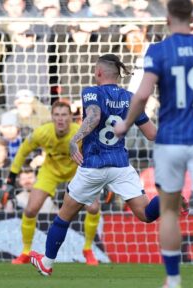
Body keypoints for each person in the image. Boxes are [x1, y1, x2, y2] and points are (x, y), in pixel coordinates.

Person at [114, 1, 193, 287]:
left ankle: (173, 278)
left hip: (170, 141)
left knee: (168, 211)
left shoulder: (159, 50)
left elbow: (142, 95)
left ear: (167, 18)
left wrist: (125, 124)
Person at [29, 54, 172, 277]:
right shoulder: (131, 97)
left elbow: (94, 116)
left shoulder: (91, 92)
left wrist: (74, 139)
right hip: (120, 166)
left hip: (93, 165)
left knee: (65, 215)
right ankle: (167, 198)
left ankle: (47, 262)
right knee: (145, 214)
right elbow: (152, 134)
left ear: (98, 73)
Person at [9, 100, 102, 266]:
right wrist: (11, 177)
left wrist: (103, 180)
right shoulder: (42, 132)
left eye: (64, 115)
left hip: (76, 170)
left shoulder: (80, 132)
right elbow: (23, 151)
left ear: (71, 117)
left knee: (94, 207)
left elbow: (97, 151)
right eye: (57, 115)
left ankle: (88, 249)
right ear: (52, 117)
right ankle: (25, 252)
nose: (60, 119)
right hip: (50, 171)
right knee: (30, 210)